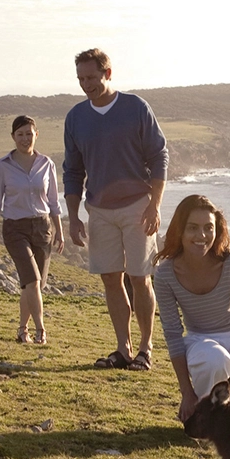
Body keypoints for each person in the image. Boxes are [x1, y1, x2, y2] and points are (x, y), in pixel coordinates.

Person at [63, 48, 169, 371]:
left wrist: (155, 204)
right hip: (99, 210)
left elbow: (159, 156)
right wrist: (73, 216)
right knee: (111, 278)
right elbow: (72, 171)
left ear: (108, 74)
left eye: (91, 77)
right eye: (81, 78)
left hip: (138, 206)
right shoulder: (76, 118)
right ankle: (122, 349)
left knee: (140, 278)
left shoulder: (135, 108)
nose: (86, 84)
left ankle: (145, 349)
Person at [154, 194, 230, 425]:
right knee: (215, 360)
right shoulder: (165, 273)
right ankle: (228, 400)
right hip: (201, 346)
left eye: (209, 227)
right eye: (193, 228)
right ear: (180, 231)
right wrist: (187, 393)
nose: (202, 236)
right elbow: (174, 335)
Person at [0, 114, 65, 343]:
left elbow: (53, 201)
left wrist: (59, 230)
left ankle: (22, 329)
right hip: (15, 229)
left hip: (42, 227)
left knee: (34, 284)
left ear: (36, 135)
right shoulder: (2, 166)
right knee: (32, 280)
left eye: (29, 133)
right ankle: (41, 330)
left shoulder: (46, 164)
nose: (25, 138)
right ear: (13, 137)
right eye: (20, 134)